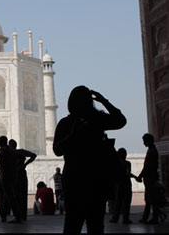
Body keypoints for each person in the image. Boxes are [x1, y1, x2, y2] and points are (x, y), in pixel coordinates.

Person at [53, 86, 126, 233]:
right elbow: (120, 120)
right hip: (94, 178)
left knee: (74, 224)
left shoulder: (70, 122)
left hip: (79, 178)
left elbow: (57, 150)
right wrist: (103, 101)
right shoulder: (96, 120)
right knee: (95, 224)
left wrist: (71, 135)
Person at [136, 133, 165, 224]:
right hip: (151, 178)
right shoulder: (152, 150)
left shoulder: (151, 151)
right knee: (149, 199)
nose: (143, 143)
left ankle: (153, 218)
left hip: (150, 178)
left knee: (151, 199)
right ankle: (147, 217)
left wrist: (140, 176)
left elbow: (147, 167)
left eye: (144, 141)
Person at [9, 139, 36, 221]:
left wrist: (25, 164)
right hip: (21, 174)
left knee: (16, 196)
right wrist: (25, 164)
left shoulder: (11, 153)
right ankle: (22, 216)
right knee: (22, 195)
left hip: (15, 175)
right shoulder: (20, 152)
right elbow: (33, 155)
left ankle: (18, 216)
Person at [0, 136, 21, 223]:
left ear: (0, 142)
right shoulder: (12, 150)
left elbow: (3, 164)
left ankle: (17, 216)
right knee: (8, 196)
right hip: (14, 175)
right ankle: (4, 215)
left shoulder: (2, 150)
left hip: (6, 176)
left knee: (10, 196)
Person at [109, 148, 135, 224]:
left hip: (118, 184)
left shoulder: (116, 164)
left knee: (118, 202)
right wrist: (136, 177)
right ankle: (125, 218)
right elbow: (128, 173)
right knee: (126, 202)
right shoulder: (127, 163)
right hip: (126, 184)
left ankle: (115, 218)